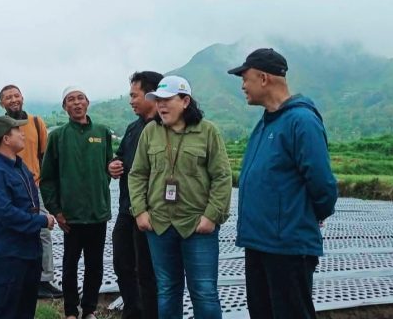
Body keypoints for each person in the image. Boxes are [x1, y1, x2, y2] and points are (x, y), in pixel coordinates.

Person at [228, 48, 338, 319]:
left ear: (264, 78)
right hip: (258, 241)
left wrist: (308, 215)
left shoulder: (301, 121)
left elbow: (322, 184)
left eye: (245, 78)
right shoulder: (265, 123)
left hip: (287, 245)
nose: (243, 86)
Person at [129, 75, 232, 319]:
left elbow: (222, 176)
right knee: (167, 290)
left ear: (185, 101)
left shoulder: (207, 131)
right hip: (160, 225)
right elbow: (137, 174)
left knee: (204, 292)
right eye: (158, 100)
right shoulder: (151, 132)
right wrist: (140, 211)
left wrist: (211, 216)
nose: (161, 105)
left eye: (167, 100)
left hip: (197, 226)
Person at [0, 85, 62, 298]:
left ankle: (43, 279)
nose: (13, 100)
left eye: (16, 95)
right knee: (13, 227)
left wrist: (47, 186)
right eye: (8, 97)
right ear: (2, 103)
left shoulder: (36, 123)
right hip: (7, 186)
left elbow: (45, 156)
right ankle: (13, 277)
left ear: (23, 98)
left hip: (33, 186)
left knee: (41, 233)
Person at [40, 86, 113, 319]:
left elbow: (108, 169)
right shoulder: (57, 136)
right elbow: (47, 178)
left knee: (95, 265)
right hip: (70, 216)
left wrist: (100, 188)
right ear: (65, 107)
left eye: (80, 98)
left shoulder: (102, 132)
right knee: (70, 264)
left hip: (97, 213)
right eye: (70, 99)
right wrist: (56, 211)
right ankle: (71, 311)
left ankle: (89, 309)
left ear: (88, 102)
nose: (76, 103)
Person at [107, 71, 162, 319]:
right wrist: (113, 165)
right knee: (122, 263)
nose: (131, 101)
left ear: (151, 95)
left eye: (134, 95)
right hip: (127, 208)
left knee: (148, 270)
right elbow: (120, 156)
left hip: (151, 212)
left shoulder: (164, 127)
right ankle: (132, 311)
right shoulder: (132, 128)